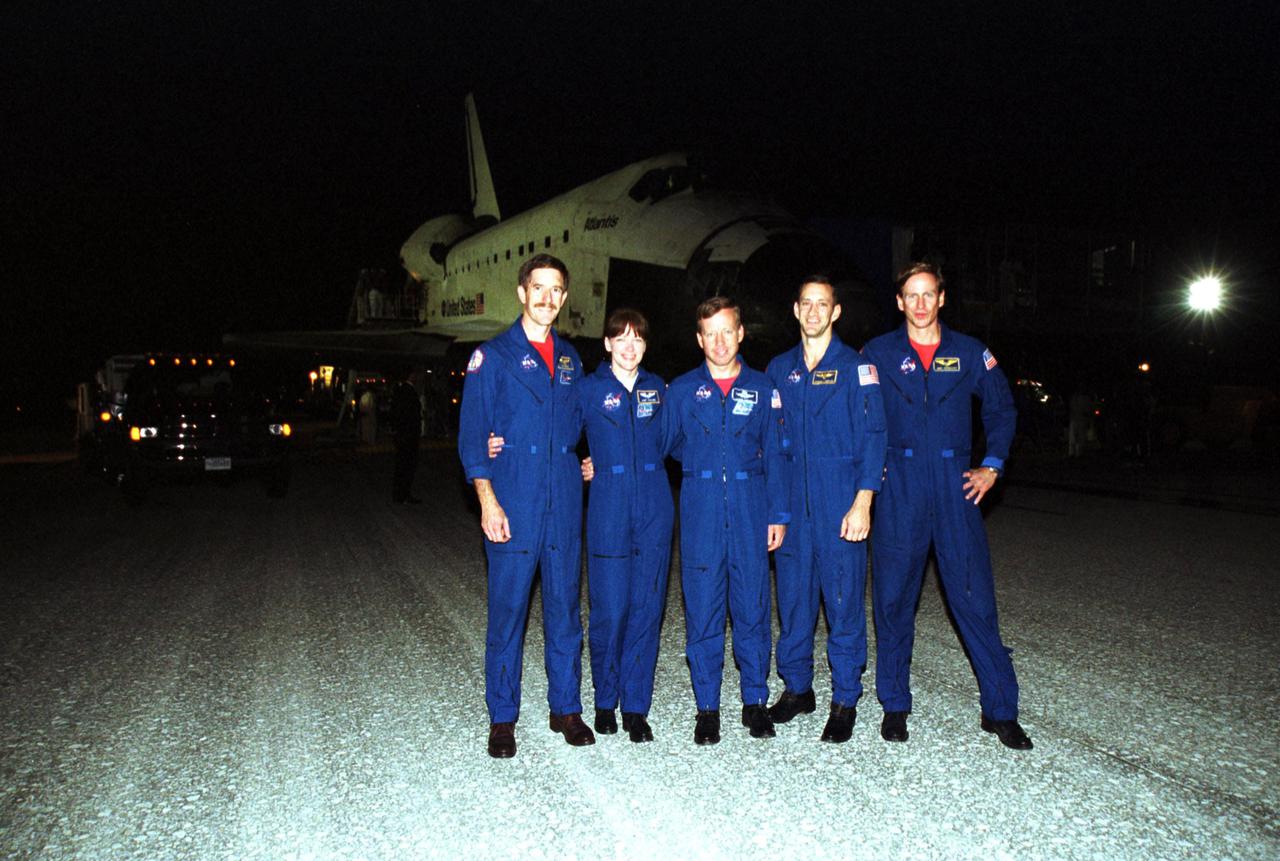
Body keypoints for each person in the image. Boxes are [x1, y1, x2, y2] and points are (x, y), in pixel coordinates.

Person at [861, 262, 1033, 750]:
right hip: (901, 488)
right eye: (910, 296)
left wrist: (992, 465)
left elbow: (1001, 409)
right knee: (894, 601)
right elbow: (858, 414)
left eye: (927, 294)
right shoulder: (877, 353)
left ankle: (1000, 709)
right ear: (899, 302)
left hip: (955, 486)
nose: (919, 304)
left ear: (941, 298)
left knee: (974, 599)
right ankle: (894, 705)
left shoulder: (970, 351)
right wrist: (871, 469)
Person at [493, 309, 675, 743]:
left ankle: (636, 708)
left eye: (638, 339)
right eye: (620, 339)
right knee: (610, 611)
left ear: (646, 346)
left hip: (653, 506)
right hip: (608, 509)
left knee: (647, 611)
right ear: (608, 344)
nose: (629, 347)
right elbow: (556, 425)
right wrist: (500, 439)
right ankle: (604, 701)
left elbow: (679, 438)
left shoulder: (659, 390)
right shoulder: (588, 389)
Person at [457, 253, 592, 758]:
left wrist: (590, 460)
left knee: (564, 610)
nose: (548, 298)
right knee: (508, 613)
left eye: (557, 290)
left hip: (562, 497)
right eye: (539, 288)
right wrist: (487, 499)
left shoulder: (571, 360)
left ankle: (566, 708)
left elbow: (581, 422)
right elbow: (472, 437)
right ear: (521, 292)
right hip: (513, 498)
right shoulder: (492, 356)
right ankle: (502, 717)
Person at [765, 276, 886, 742]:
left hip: (841, 510)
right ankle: (798, 689)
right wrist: (774, 511)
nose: (814, 312)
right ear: (795, 310)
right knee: (794, 606)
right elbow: (769, 445)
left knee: (843, 607)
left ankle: (844, 699)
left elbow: (875, 438)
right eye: (807, 304)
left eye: (824, 304)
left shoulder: (858, 368)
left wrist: (863, 502)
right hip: (793, 511)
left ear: (836, 312)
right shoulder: (779, 369)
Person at [666, 296, 789, 744]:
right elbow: (660, 444)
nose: (719, 341)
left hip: (750, 505)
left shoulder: (762, 388)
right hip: (700, 507)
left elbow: (776, 454)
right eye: (709, 333)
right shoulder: (680, 390)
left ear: (741, 333)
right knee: (702, 609)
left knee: (753, 607)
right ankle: (707, 707)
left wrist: (777, 514)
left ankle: (754, 701)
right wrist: (596, 460)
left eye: (727, 331)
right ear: (699, 339)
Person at [390, 369, 422, 504]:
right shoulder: (409, 392)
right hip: (408, 435)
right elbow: (410, 414)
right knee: (407, 466)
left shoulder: (400, 391)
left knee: (401, 466)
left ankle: (400, 494)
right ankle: (403, 495)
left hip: (402, 434)